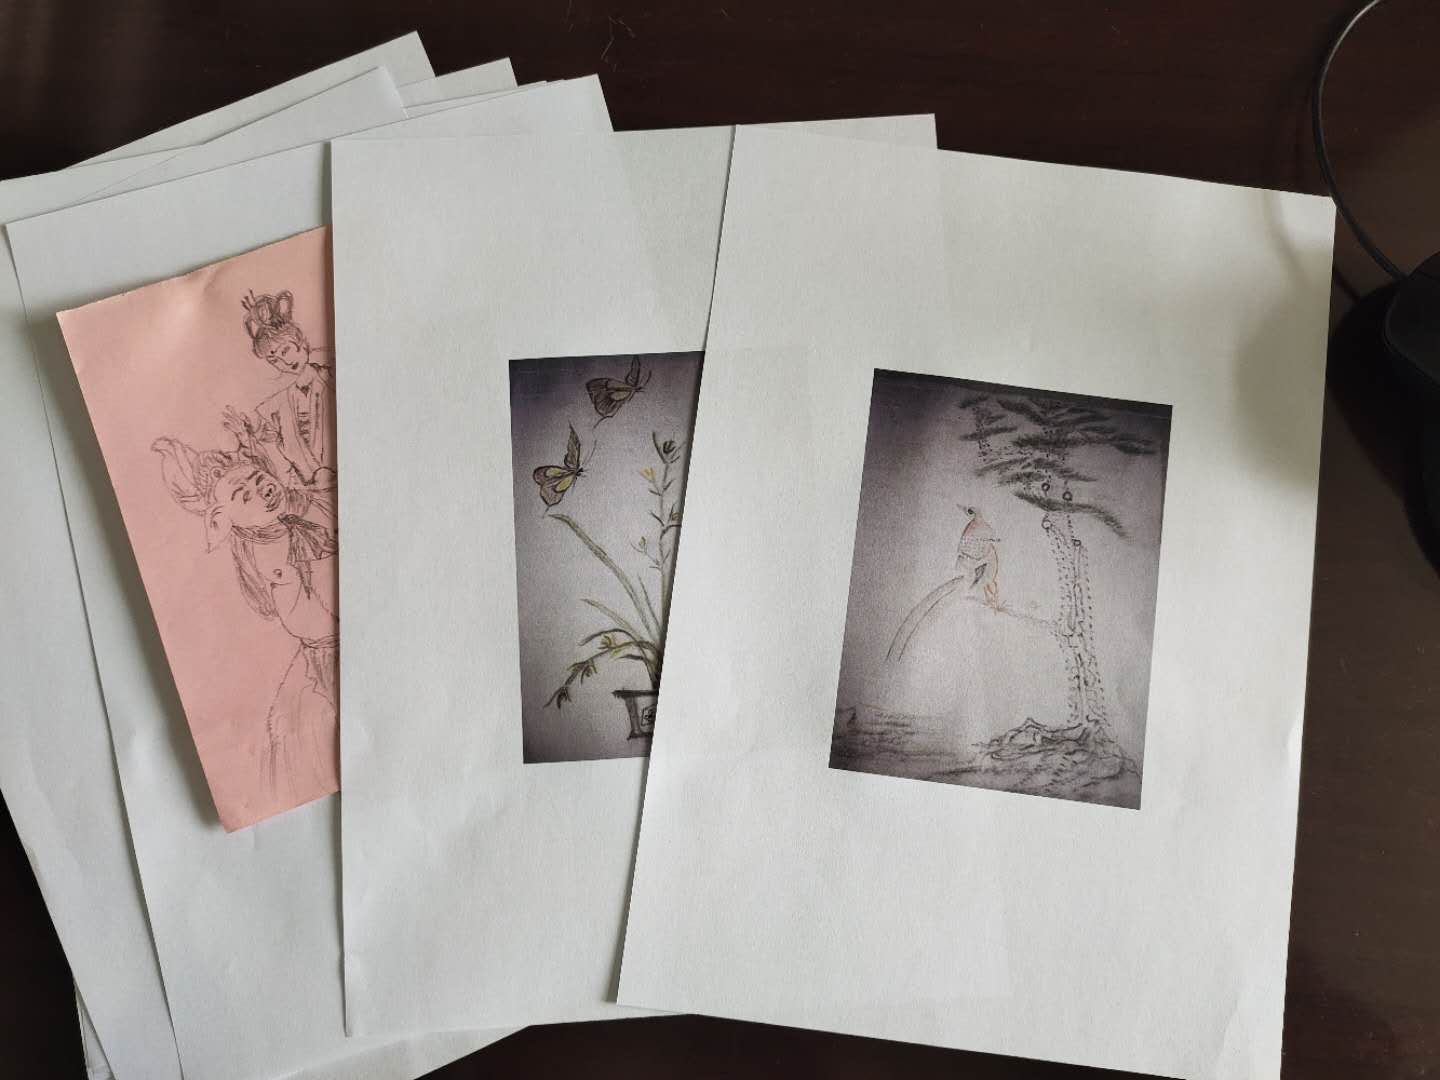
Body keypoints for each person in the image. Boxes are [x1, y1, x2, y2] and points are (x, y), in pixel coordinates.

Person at [151, 430, 338, 807]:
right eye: (244, 495)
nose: (261, 489)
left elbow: (312, 504)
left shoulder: (290, 514)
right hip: (331, 646)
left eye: (257, 478)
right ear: (223, 521)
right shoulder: (271, 557)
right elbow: (308, 620)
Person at [238, 289, 334, 490]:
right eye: (274, 360)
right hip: (311, 486)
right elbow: (271, 443)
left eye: (286, 350)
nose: (285, 361)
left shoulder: (330, 374)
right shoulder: (279, 403)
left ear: (301, 343)